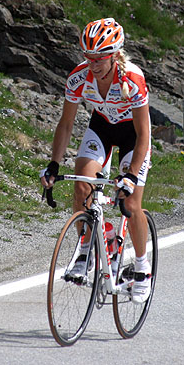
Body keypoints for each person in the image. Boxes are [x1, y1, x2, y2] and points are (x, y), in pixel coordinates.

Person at [40, 17, 153, 304]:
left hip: (133, 136)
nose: (93, 64)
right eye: (88, 57)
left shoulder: (132, 80)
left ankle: (142, 266)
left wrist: (131, 175)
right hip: (101, 127)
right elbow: (66, 125)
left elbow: (144, 135)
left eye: (100, 58)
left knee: (130, 203)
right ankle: (87, 248)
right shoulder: (79, 78)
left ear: (115, 54)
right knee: (82, 185)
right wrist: (54, 164)